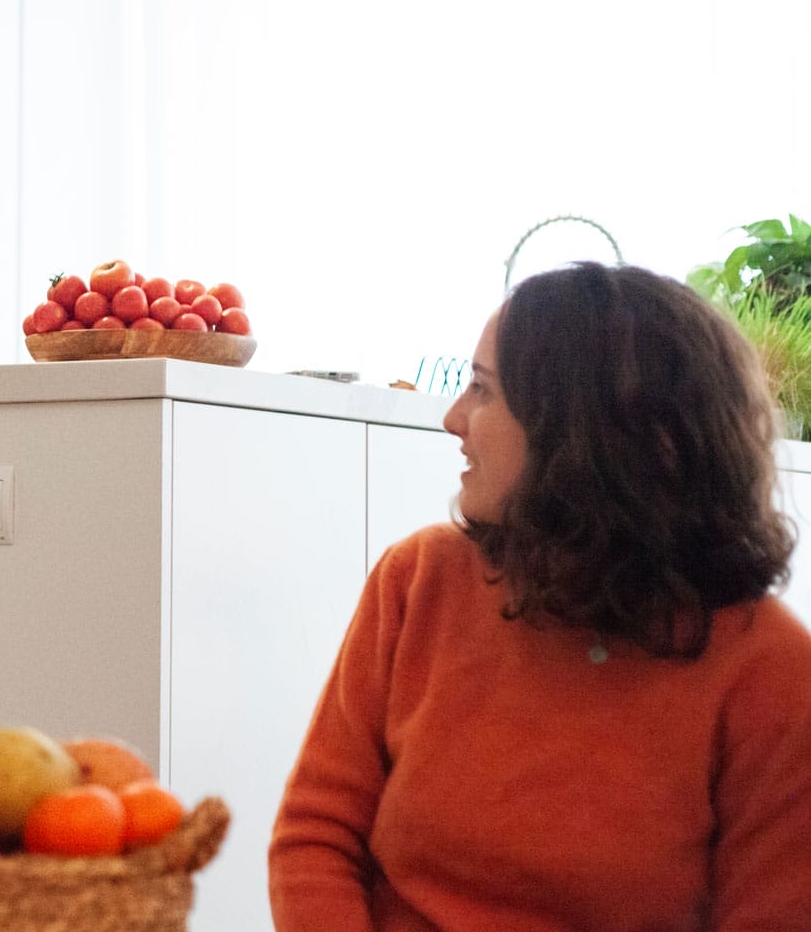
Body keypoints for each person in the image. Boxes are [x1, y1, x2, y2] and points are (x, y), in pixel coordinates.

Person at [270, 263, 811, 931]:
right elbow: (316, 837)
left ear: (585, 432)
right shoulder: (419, 579)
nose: (452, 418)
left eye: (483, 390)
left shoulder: (770, 670)